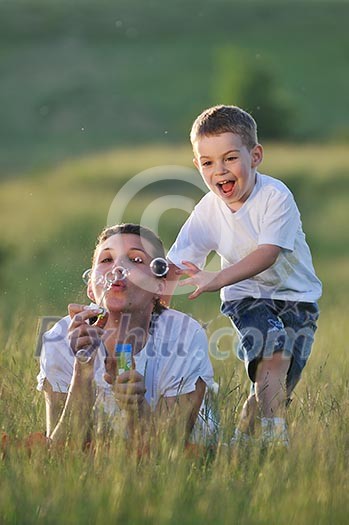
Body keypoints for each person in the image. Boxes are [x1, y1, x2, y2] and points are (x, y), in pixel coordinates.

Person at [167, 105, 322, 447]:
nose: (219, 171)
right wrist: (153, 296)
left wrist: (215, 278)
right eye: (207, 162)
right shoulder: (208, 210)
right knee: (274, 354)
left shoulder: (275, 197)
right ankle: (274, 441)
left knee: (276, 383)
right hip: (245, 296)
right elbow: (178, 262)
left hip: (298, 299)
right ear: (197, 165)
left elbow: (268, 254)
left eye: (229, 158)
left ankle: (241, 440)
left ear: (255, 156)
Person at [37, 223, 215, 449]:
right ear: (91, 287)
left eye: (136, 260)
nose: (118, 268)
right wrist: (83, 369)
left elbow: (169, 451)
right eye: (106, 260)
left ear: (159, 286)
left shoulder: (183, 336)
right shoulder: (61, 338)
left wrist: (136, 407)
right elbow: (60, 451)